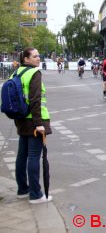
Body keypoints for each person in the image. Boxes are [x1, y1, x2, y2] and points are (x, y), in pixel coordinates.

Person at [14, 47, 53, 204]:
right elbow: (36, 100)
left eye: (39, 56)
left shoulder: (17, 72)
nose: (38, 58)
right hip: (34, 121)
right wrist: (39, 124)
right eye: (35, 56)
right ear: (26, 59)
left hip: (22, 119)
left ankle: (23, 189)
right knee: (34, 157)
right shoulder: (34, 73)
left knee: (22, 155)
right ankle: (36, 195)